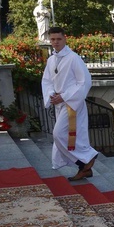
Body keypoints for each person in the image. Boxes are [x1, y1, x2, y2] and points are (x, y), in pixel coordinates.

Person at [40, 27, 98, 180]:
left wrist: (64, 96)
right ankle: (83, 166)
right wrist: (52, 95)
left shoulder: (73, 58)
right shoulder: (51, 60)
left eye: (58, 39)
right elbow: (46, 81)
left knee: (58, 134)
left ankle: (88, 157)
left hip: (72, 104)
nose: (55, 42)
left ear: (65, 39)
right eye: (52, 39)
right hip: (60, 104)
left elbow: (84, 82)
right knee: (67, 137)